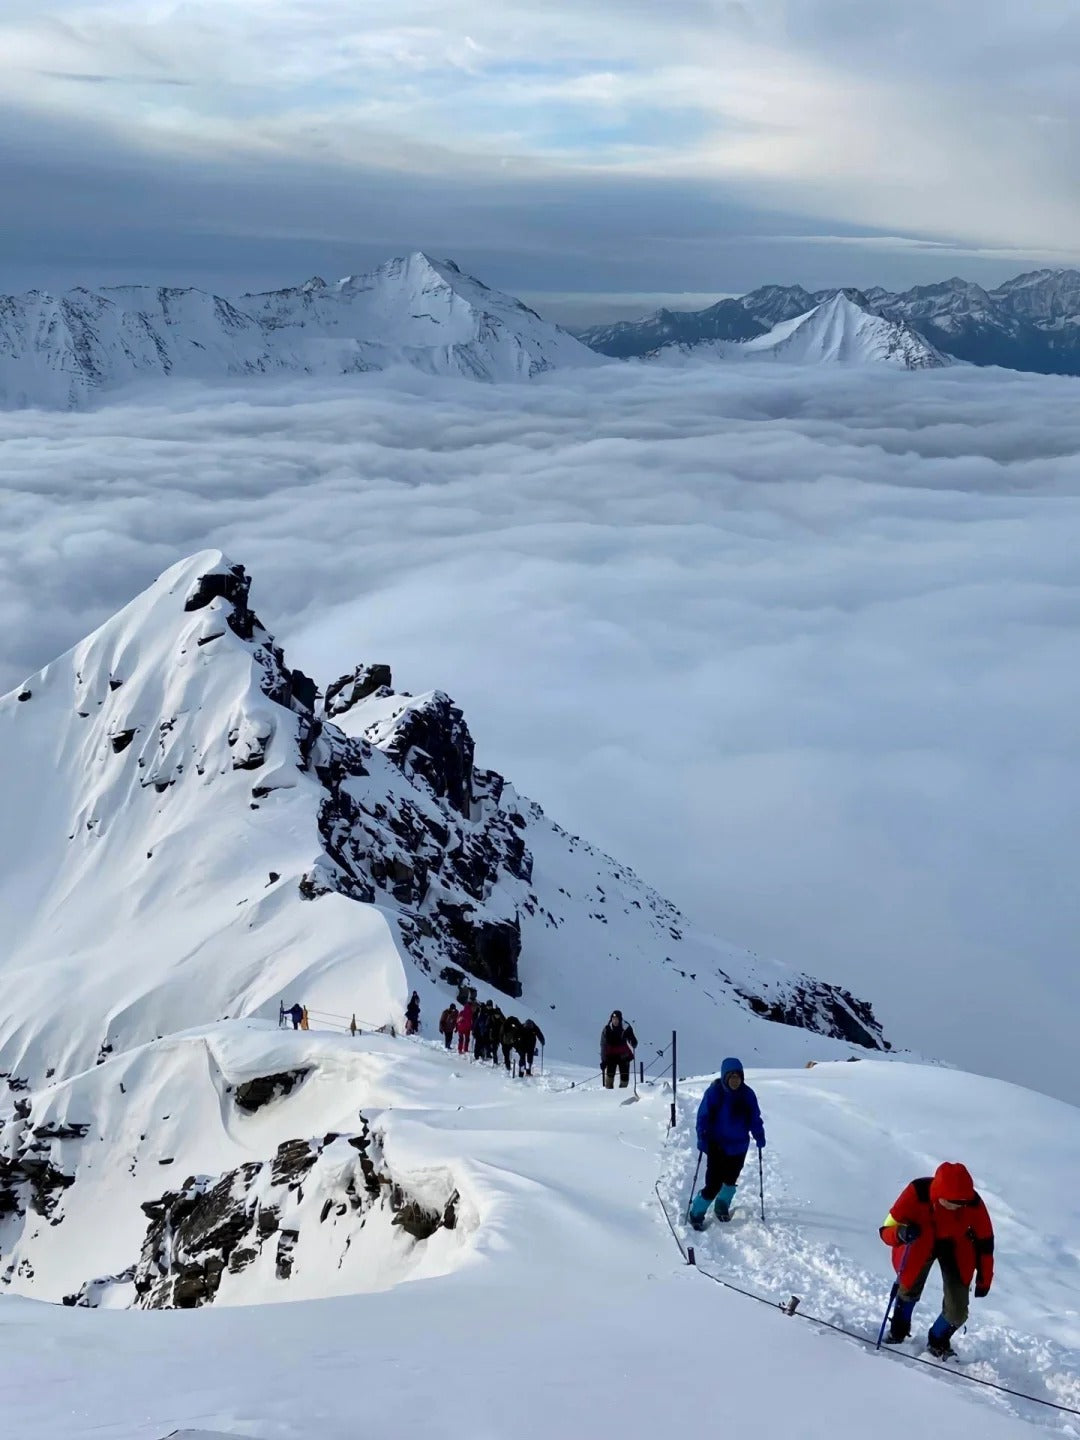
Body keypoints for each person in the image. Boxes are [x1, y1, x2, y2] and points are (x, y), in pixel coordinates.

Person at [880, 1162, 995, 1357]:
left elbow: (985, 1244)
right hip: (919, 1243)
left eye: (962, 1203)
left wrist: (985, 1277)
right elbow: (885, 1230)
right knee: (908, 1289)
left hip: (957, 1249)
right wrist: (900, 1233)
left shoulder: (972, 1203)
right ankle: (898, 1331)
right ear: (939, 1193)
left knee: (958, 1310)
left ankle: (938, 1339)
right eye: (952, 1201)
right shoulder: (917, 1192)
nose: (957, 1206)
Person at [688, 1057, 765, 1229]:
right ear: (725, 1077)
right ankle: (696, 1212)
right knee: (713, 1183)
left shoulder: (747, 1094)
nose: (735, 1081)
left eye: (738, 1077)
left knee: (730, 1180)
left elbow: (754, 1118)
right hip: (717, 1145)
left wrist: (759, 1135)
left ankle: (722, 1206)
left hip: (739, 1146)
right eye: (731, 1077)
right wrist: (702, 1135)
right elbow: (703, 1116)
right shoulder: (715, 1093)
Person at [600, 1010, 638, 1088]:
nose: (615, 1021)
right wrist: (603, 1060)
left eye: (617, 1019)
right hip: (611, 1055)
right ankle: (608, 1093)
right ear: (611, 1019)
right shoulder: (607, 1029)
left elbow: (631, 1038)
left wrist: (633, 1042)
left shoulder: (626, 1027)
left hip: (623, 1054)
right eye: (613, 1019)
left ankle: (622, 1093)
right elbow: (603, 1045)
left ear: (620, 1019)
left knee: (625, 1077)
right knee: (609, 1075)